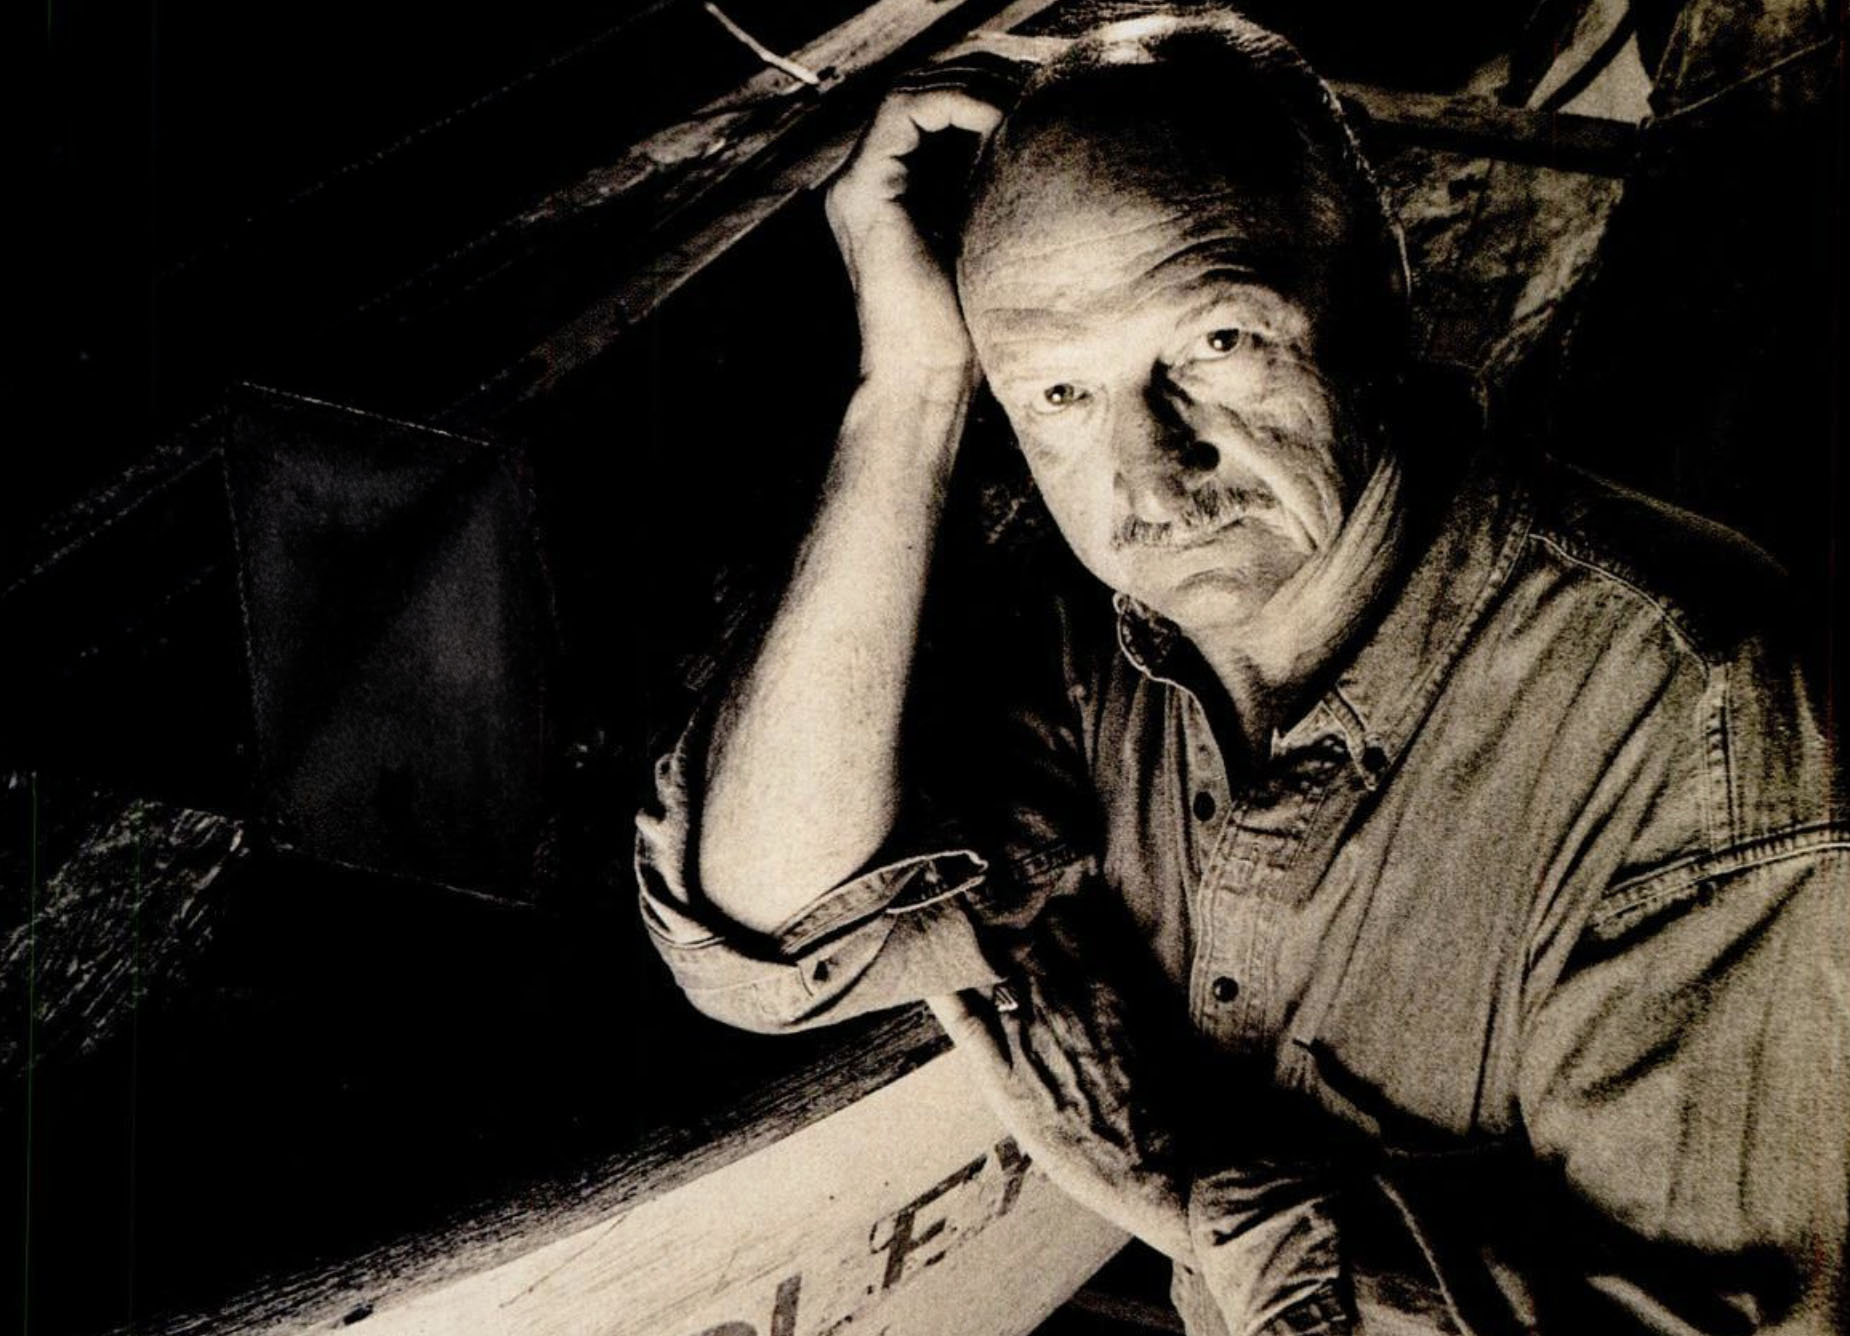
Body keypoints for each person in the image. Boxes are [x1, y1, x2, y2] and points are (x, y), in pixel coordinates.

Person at [634, 11, 1846, 1334]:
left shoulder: (1698, 710)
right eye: (1057, 395)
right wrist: (911, 387)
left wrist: (1207, 1204)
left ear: (1381, 293)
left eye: (1213, 345)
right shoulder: (1097, 644)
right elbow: (765, 937)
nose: (1150, 473)